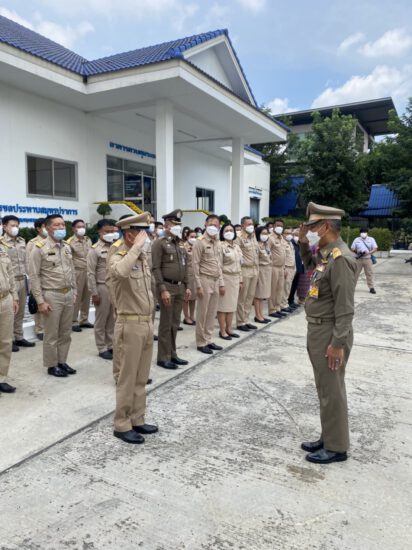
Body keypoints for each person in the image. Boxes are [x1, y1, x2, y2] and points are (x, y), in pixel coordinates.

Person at [299, 202, 356, 464]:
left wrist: (337, 343)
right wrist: (303, 242)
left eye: (312, 226)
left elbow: (345, 308)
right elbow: (309, 264)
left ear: (326, 226)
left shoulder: (341, 258)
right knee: (325, 388)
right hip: (318, 328)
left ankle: (336, 447)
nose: (308, 229)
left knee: (332, 390)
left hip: (330, 332)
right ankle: (328, 435)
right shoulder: (326, 253)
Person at [106, 212, 157, 444]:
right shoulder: (118, 254)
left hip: (145, 322)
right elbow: (120, 273)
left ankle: (137, 418)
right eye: (141, 233)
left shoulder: (140, 256)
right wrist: (136, 248)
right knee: (127, 378)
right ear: (129, 234)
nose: (146, 237)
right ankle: (122, 423)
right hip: (129, 324)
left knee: (141, 377)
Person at [28, 214, 77, 378]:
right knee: (51, 334)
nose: (61, 228)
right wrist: (40, 301)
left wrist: (74, 291)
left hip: (68, 293)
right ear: (47, 228)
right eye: (57, 225)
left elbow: (72, 271)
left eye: (63, 225)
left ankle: (62, 361)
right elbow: (34, 276)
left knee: (65, 332)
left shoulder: (67, 247)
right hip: (51, 295)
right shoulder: (39, 248)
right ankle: (51, 365)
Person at [152, 209, 190, 370]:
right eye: (175, 224)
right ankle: (163, 357)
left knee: (175, 323)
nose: (177, 227)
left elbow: (185, 265)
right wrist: (162, 289)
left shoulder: (180, 243)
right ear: (167, 225)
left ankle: (172, 354)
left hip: (180, 287)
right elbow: (155, 268)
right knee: (166, 324)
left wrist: (187, 286)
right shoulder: (159, 243)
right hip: (167, 286)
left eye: (179, 224)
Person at [0, 215, 35, 351]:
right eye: (12, 225)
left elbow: (26, 261)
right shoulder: (1, 242)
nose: (15, 228)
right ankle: (7, 341)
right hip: (9, 281)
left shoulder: (21, 241)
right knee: (9, 313)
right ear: (4, 226)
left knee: (20, 311)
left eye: (17, 225)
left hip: (22, 280)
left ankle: (19, 337)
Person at [192, 214, 225, 354]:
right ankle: (200, 342)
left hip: (216, 280)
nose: (213, 227)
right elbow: (195, 264)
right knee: (202, 313)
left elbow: (219, 264)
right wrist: (198, 285)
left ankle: (208, 339)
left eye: (216, 225)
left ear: (219, 227)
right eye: (210, 224)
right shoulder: (199, 242)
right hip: (204, 280)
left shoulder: (218, 242)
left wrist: (222, 282)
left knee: (212, 312)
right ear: (205, 225)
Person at [87, 219, 118, 360]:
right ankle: (101, 347)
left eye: (112, 231)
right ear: (99, 232)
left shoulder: (116, 246)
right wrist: (94, 293)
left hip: (115, 287)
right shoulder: (95, 250)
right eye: (107, 231)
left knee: (112, 318)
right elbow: (90, 273)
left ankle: (110, 344)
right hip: (102, 287)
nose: (110, 234)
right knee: (101, 319)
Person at [217, 223, 242, 340]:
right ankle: (222, 330)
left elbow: (240, 264)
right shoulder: (220, 246)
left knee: (232, 306)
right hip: (225, 278)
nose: (229, 232)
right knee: (223, 306)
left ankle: (229, 328)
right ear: (222, 233)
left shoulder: (237, 247)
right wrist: (221, 283)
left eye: (231, 230)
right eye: (226, 230)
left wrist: (241, 280)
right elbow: (218, 266)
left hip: (235, 278)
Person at [68, 219, 93, 332]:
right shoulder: (69, 242)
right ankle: (73, 321)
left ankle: (84, 319)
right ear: (73, 229)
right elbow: (68, 260)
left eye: (83, 226)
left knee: (87, 297)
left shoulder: (88, 240)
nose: (81, 228)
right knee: (76, 298)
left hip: (88, 271)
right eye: (79, 226)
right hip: (77, 272)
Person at [0, 244, 19, 393]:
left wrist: (15, 297)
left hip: (5, 299)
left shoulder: (2, 248)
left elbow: (10, 274)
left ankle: (1, 378)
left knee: (5, 342)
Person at [236, 216, 259, 332]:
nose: (251, 226)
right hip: (244, 269)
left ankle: (246, 319)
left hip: (254, 269)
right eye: (248, 224)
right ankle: (240, 322)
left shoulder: (253, 236)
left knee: (250, 297)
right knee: (242, 297)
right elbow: (237, 256)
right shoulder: (239, 238)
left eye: (252, 224)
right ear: (242, 226)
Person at [26, 218, 48, 340]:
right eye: (44, 226)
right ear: (38, 229)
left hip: (52, 280)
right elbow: (30, 264)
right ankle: (40, 330)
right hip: (39, 279)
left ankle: (49, 328)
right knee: (40, 304)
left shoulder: (55, 241)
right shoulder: (32, 243)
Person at [268, 219, 287, 319]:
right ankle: (272, 309)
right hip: (273, 267)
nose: (279, 227)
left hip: (281, 267)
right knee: (273, 289)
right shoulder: (270, 238)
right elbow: (268, 252)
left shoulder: (282, 238)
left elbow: (283, 253)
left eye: (281, 226)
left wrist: (284, 268)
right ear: (274, 226)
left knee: (280, 288)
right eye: (277, 225)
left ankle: (278, 308)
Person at [254, 226, 272, 324]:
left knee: (263, 295)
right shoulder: (257, 245)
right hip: (260, 270)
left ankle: (261, 314)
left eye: (266, 233)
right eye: (263, 233)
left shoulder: (266, 245)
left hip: (267, 270)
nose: (265, 235)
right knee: (258, 295)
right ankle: (257, 315)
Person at [351, 229, 378, 294]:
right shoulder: (357, 239)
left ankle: (371, 287)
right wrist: (357, 252)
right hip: (358, 259)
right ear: (360, 233)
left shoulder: (371, 239)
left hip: (368, 259)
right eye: (362, 232)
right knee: (355, 274)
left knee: (369, 274)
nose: (363, 233)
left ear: (367, 233)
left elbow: (375, 248)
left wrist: (368, 253)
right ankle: (351, 287)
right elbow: (352, 248)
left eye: (364, 232)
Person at [279, 227, 296, 313]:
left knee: (288, 287)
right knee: (284, 287)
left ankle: (285, 303)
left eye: (290, 233)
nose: (289, 235)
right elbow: (282, 257)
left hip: (292, 267)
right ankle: (283, 305)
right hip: (286, 267)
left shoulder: (290, 243)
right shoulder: (282, 243)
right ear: (282, 234)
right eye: (287, 233)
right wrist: (284, 268)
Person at [183, 229, 197, 326]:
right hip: (187, 274)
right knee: (186, 298)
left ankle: (192, 316)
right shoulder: (184, 247)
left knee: (193, 298)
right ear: (187, 237)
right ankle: (186, 317)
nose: (194, 238)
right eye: (191, 237)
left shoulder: (196, 246)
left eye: (195, 236)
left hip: (196, 275)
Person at [288, 228, 304, 308]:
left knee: (294, 286)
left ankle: (291, 301)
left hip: (299, 267)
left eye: (299, 235)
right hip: (292, 268)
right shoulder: (291, 243)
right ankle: (288, 302)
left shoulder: (299, 244)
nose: (297, 237)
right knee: (289, 286)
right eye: (296, 235)